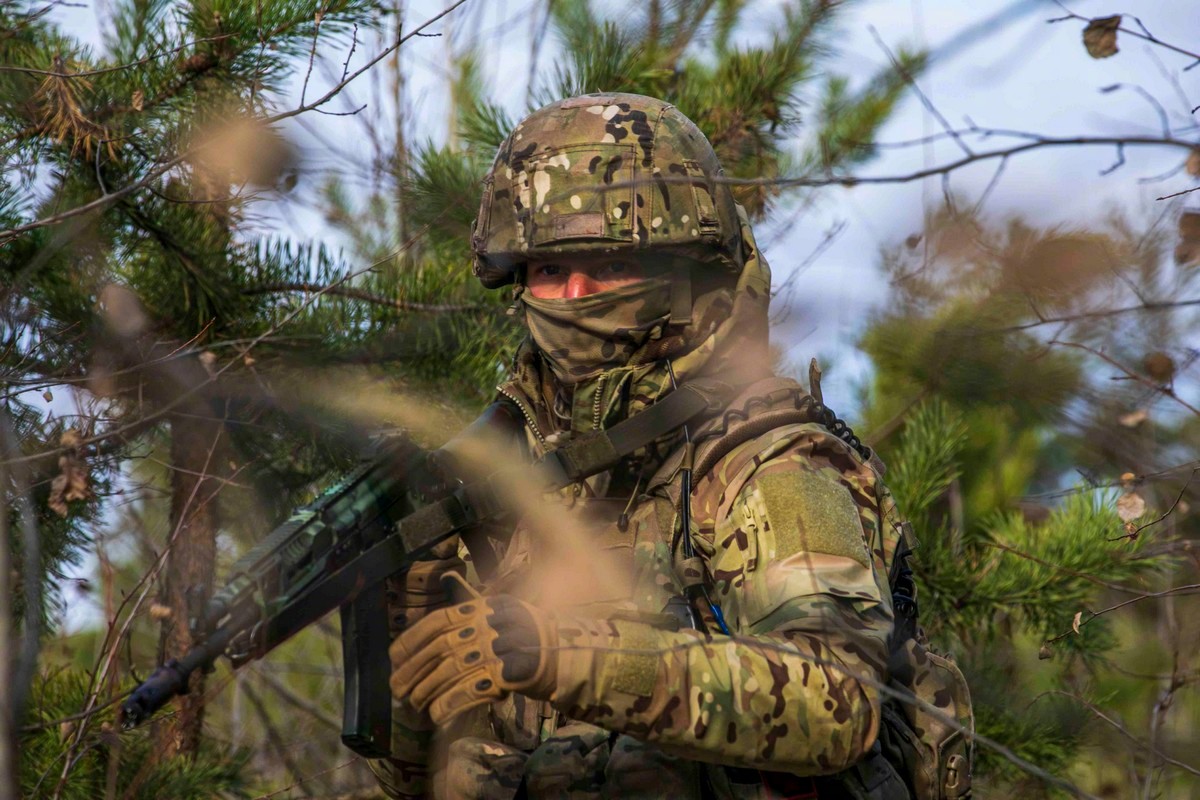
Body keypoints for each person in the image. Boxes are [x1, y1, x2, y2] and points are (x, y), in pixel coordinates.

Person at [371, 93, 971, 800]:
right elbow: (415, 774)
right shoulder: (519, 479)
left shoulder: (768, 462)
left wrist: (567, 655)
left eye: (606, 263)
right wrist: (411, 609)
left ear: (685, 270)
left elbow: (836, 707)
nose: (575, 293)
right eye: (547, 270)